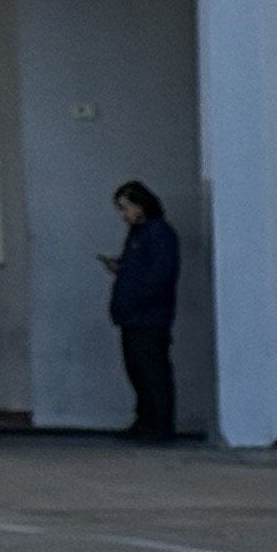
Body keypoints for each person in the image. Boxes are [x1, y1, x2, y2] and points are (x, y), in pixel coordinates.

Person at [101, 180, 182, 440]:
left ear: (140, 205)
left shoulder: (158, 234)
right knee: (137, 371)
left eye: (125, 208)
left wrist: (134, 295)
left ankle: (159, 425)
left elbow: (158, 276)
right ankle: (145, 421)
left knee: (151, 372)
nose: (123, 215)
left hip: (149, 317)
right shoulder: (138, 234)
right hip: (133, 316)